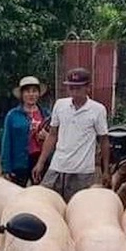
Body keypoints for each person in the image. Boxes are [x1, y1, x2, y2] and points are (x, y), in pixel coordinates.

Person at [33, 67, 110, 202]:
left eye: (78, 88)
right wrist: (40, 163)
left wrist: (106, 170)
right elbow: (52, 135)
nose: (74, 91)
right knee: (46, 202)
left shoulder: (97, 110)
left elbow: (103, 140)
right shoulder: (60, 105)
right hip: (57, 166)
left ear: (88, 88)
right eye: (71, 88)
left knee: (78, 209)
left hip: (82, 171)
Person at [1, 75, 50, 186]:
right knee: (17, 194)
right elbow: (7, 142)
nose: (31, 95)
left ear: (39, 94)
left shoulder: (46, 114)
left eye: (34, 91)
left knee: (40, 194)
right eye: (27, 91)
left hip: (40, 160)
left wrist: (46, 136)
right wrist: (6, 168)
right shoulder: (12, 115)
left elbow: (54, 138)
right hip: (19, 162)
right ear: (22, 95)